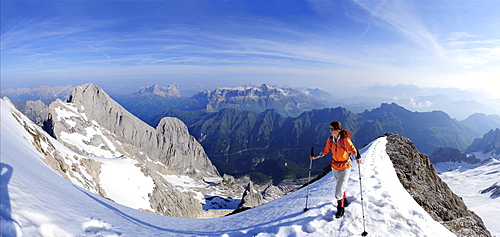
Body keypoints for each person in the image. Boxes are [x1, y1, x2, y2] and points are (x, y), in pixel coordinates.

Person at [310, 120, 362, 218]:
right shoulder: (330, 140)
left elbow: (352, 149)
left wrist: (357, 157)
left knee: (338, 190)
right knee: (340, 185)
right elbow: (326, 150)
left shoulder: (345, 140)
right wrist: (316, 156)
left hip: (345, 166)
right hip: (334, 166)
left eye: (331, 129)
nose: (330, 131)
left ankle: (340, 208)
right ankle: (344, 199)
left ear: (337, 130)